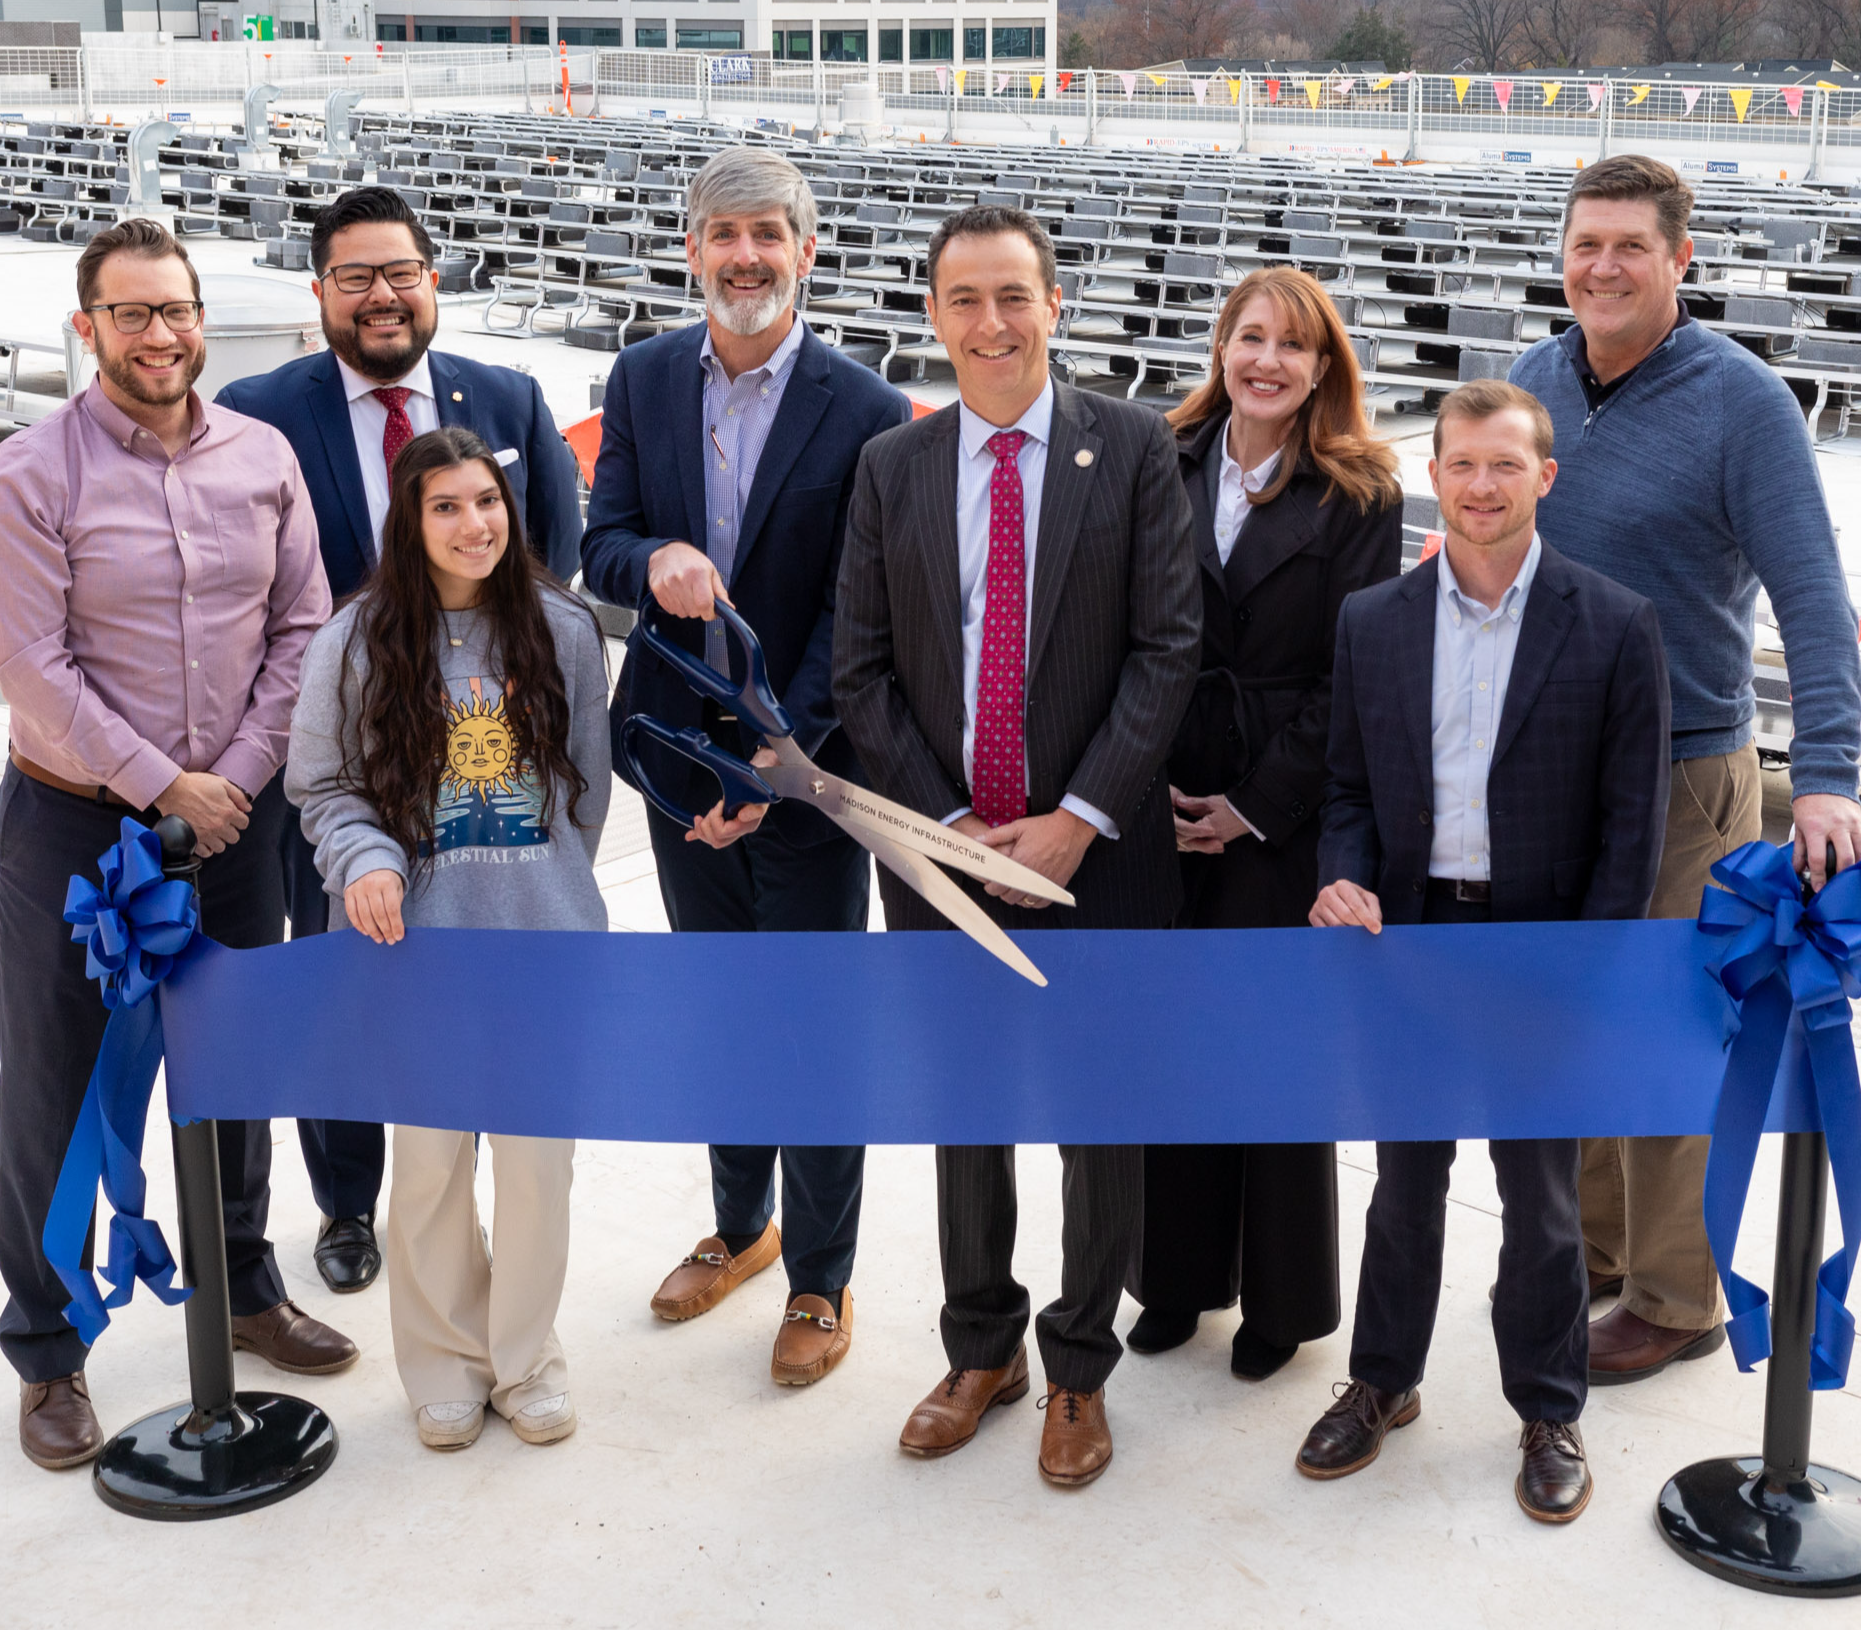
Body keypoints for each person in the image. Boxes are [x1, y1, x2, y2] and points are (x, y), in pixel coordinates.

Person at [0, 217, 356, 1473]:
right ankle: (48, 1345)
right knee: (57, 1086)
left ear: (201, 317)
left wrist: (230, 781)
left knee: (237, 1068)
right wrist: (159, 782)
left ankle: (241, 1283)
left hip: (236, 824)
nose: (157, 335)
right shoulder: (27, 473)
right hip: (78, 828)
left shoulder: (264, 453)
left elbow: (303, 626)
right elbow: (29, 661)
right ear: (90, 328)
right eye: (128, 314)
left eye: (173, 309)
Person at [834, 203, 1200, 1489]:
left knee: (1099, 1123)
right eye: (963, 300)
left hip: (1098, 854)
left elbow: (1167, 649)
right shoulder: (892, 466)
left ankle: (1080, 1369)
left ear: (1056, 305)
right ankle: (978, 1347)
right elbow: (860, 672)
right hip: (943, 861)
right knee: (966, 1114)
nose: (990, 324)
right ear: (932, 315)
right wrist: (946, 828)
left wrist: (1079, 816)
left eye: (1013, 296)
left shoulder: (1137, 448)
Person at [1508, 154, 1861, 1383]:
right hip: (1551, 767)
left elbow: (1815, 600)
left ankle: (1675, 1294)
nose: (1601, 266)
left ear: (1680, 261)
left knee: (1669, 1036)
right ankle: (1601, 1251)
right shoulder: (1533, 378)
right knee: (1575, 1021)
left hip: (1683, 768)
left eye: (1628, 247)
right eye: (1584, 243)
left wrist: (1824, 773)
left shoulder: (1739, 401)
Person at [1299, 379, 1670, 1525]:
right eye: (1459, 464)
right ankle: (1382, 1379)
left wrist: (1584, 971)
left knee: (1541, 1200)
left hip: (1537, 944)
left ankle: (1548, 1407)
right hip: (1410, 941)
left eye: (1504, 464)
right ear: (1434, 475)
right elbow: (1348, 786)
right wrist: (1338, 871)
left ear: (1544, 476)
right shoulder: (1375, 619)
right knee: (1404, 1186)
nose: (1480, 485)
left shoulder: (1613, 623)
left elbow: (1632, 828)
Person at [218, 183, 582, 1297]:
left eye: (401, 272)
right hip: (324, 759)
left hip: (480, 762)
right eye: (355, 276)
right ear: (320, 290)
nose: (382, 296)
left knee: (475, 989)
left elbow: (550, 559)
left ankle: (480, 1217)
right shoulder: (261, 407)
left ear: (434, 278)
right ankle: (344, 1202)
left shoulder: (510, 399)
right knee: (340, 977)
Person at [582, 147, 909, 1385]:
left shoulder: (869, 409)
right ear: (690, 249)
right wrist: (653, 555)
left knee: (812, 1024)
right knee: (720, 1008)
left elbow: (858, 609)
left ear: (806, 250)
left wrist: (778, 760)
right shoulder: (645, 377)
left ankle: (822, 1280)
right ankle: (739, 1227)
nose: (745, 256)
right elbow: (595, 543)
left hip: (810, 773)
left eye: (769, 232)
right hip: (672, 759)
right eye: (723, 233)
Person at [288, 427, 611, 1451]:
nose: (473, 524)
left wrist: (536, 885)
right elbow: (320, 785)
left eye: (487, 502)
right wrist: (365, 857)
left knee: (534, 1168)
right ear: (409, 520)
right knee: (427, 1167)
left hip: (538, 947)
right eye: (446, 506)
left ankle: (525, 1356)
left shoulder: (562, 628)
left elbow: (587, 794)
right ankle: (441, 1361)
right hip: (411, 951)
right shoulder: (354, 638)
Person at [1126, 266, 1402, 1381]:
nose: (1267, 361)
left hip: (1279, 802)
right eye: (1249, 337)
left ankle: (1281, 1303)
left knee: (1274, 1055)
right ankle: (1176, 1276)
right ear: (1220, 347)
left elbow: (1352, 675)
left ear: (1322, 366)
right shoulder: (1161, 456)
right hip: (1158, 782)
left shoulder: (1360, 495)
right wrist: (1141, 785)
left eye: (1293, 345)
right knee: (1171, 1045)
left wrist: (1252, 807)